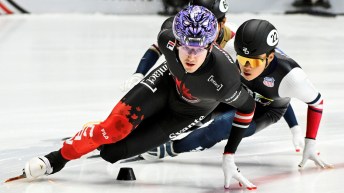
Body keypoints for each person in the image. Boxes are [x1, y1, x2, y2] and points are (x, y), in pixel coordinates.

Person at [23, 6, 257, 190]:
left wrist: (229, 154)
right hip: (165, 83)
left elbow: (248, 108)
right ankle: (55, 159)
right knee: (113, 129)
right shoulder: (167, 37)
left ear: (211, 46)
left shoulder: (225, 78)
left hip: (189, 112)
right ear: (176, 41)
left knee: (111, 153)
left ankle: (98, 135)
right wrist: (139, 72)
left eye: (198, 49)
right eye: (185, 47)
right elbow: (156, 49)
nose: (191, 56)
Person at [138, 19, 333, 189]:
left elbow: (313, 102)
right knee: (200, 104)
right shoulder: (231, 49)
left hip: (266, 109)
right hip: (239, 93)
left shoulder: (292, 77)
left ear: (270, 57)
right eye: (242, 59)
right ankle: (154, 132)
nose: (247, 67)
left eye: (254, 63)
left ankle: (170, 149)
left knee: (222, 125)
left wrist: (307, 139)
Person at [121, 0, 305, 152]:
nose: (199, 29)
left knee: (209, 118)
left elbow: (272, 88)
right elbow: (159, 46)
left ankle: (166, 147)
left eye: (209, 25)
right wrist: (139, 73)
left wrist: (294, 127)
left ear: (222, 24)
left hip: (241, 97)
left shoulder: (237, 47)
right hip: (221, 88)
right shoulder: (191, 27)